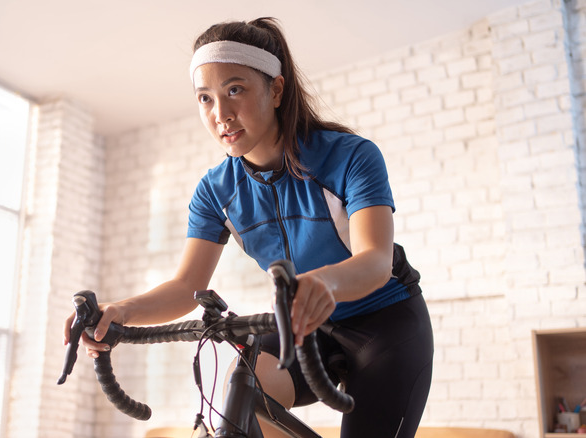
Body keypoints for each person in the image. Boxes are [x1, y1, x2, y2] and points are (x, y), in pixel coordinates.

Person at [64, 17, 434, 438]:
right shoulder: (215, 191)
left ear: (275, 90)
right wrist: (122, 310)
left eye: (234, 90)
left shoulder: (349, 156)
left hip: (386, 323)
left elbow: (375, 261)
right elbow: (188, 285)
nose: (220, 114)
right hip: (304, 325)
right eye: (205, 98)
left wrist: (323, 283)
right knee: (242, 392)